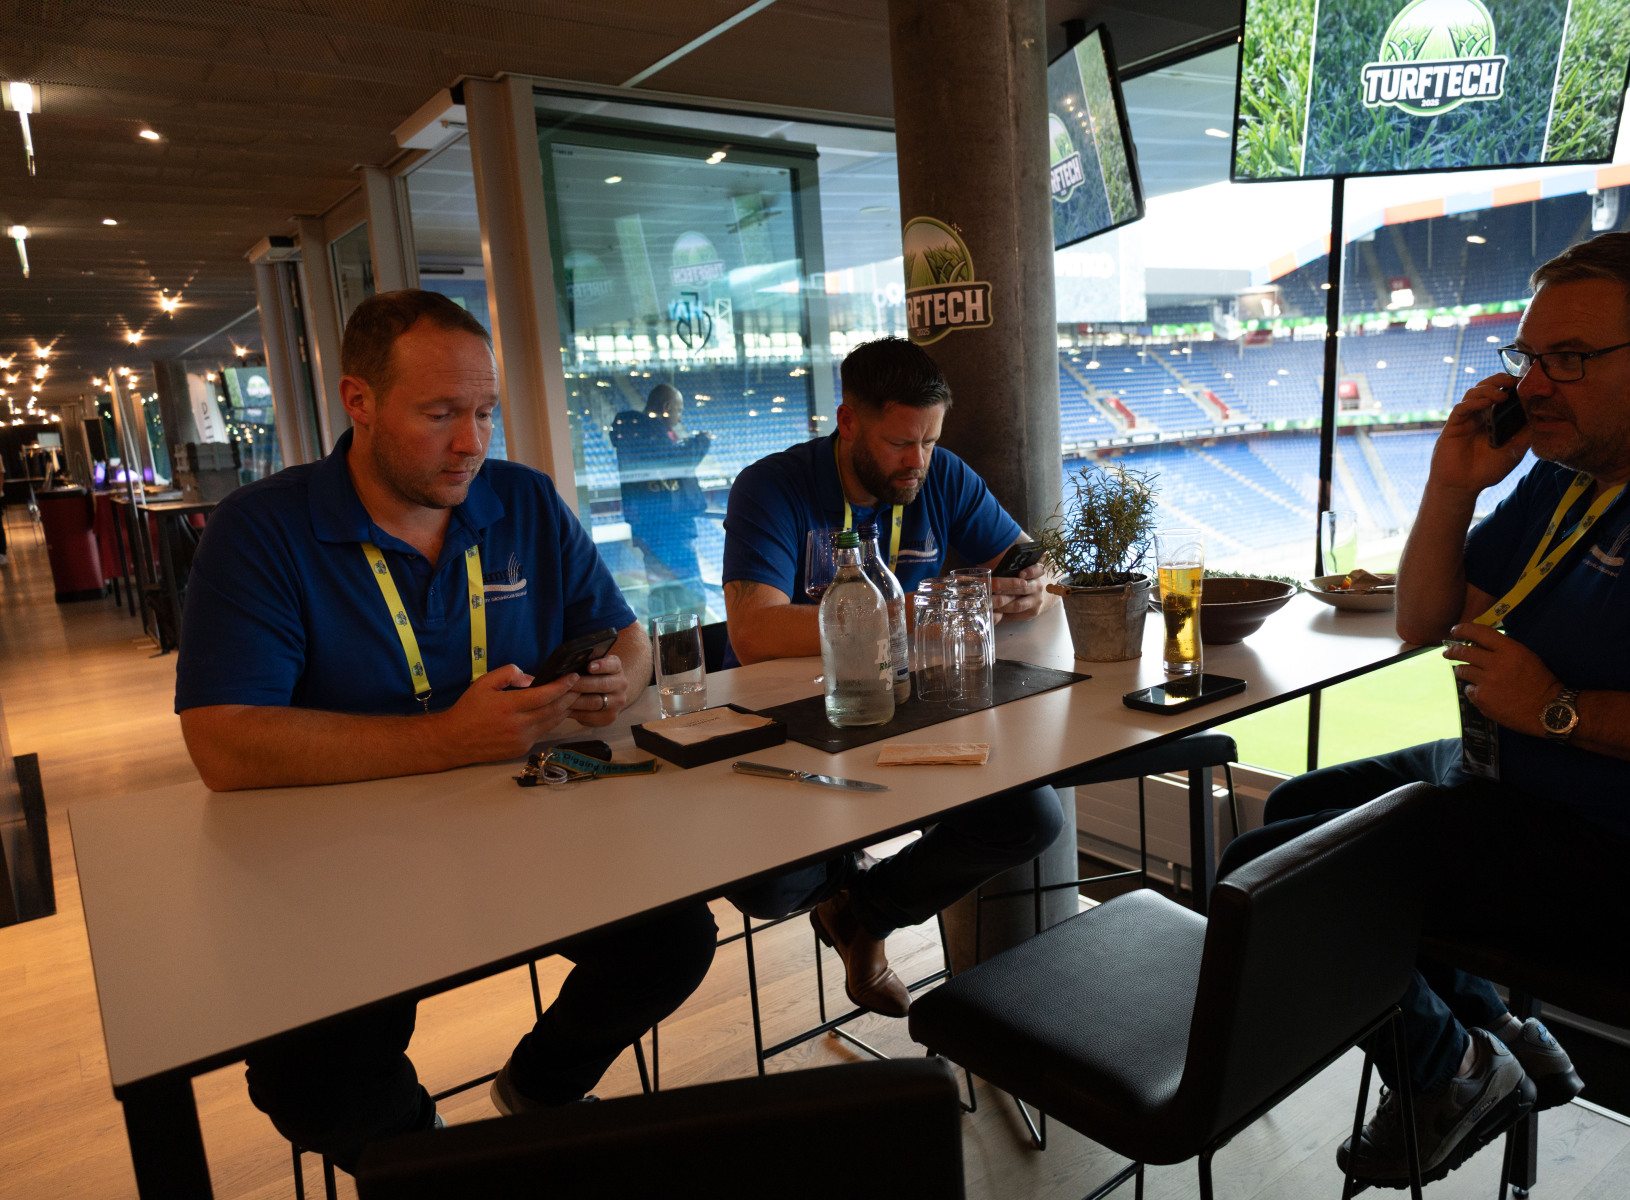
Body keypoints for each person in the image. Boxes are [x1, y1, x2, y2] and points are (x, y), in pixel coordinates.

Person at [1215, 231, 1630, 1184]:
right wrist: (1452, 483)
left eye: (1569, 359)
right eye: (1527, 356)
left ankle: (1455, 1073)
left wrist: (1562, 709)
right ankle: (1501, 1036)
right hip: (1519, 783)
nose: (1533, 386)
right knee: (1294, 808)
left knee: (1265, 874)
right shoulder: (1581, 462)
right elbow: (1426, 619)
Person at [174, 290, 717, 1174]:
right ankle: (443, 1173)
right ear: (358, 402)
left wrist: (618, 677)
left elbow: (625, 637)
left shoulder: (523, 500)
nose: (472, 442)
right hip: (339, 873)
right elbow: (222, 745)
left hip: (525, 834)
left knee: (674, 939)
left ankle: (536, 1096)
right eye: (440, 415)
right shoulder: (261, 530)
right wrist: (447, 739)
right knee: (311, 1074)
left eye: (485, 412)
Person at [719, 335, 1062, 1017]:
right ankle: (847, 880)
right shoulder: (771, 487)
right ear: (848, 422)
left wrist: (1032, 588)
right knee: (767, 888)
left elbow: (1029, 561)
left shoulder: (943, 474)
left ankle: (863, 914)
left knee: (1028, 819)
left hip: (911, 711)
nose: (919, 462)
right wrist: (902, 613)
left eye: (931, 441)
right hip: (796, 724)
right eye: (902, 443)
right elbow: (753, 633)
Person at [611, 381, 710, 616]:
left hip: (650, 532)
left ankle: (666, 639)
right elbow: (677, 462)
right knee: (693, 600)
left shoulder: (636, 434)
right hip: (672, 532)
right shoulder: (649, 432)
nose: (680, 418)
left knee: (663, 600)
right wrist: (702, 441)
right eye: (679, 410)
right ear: (666, 406)